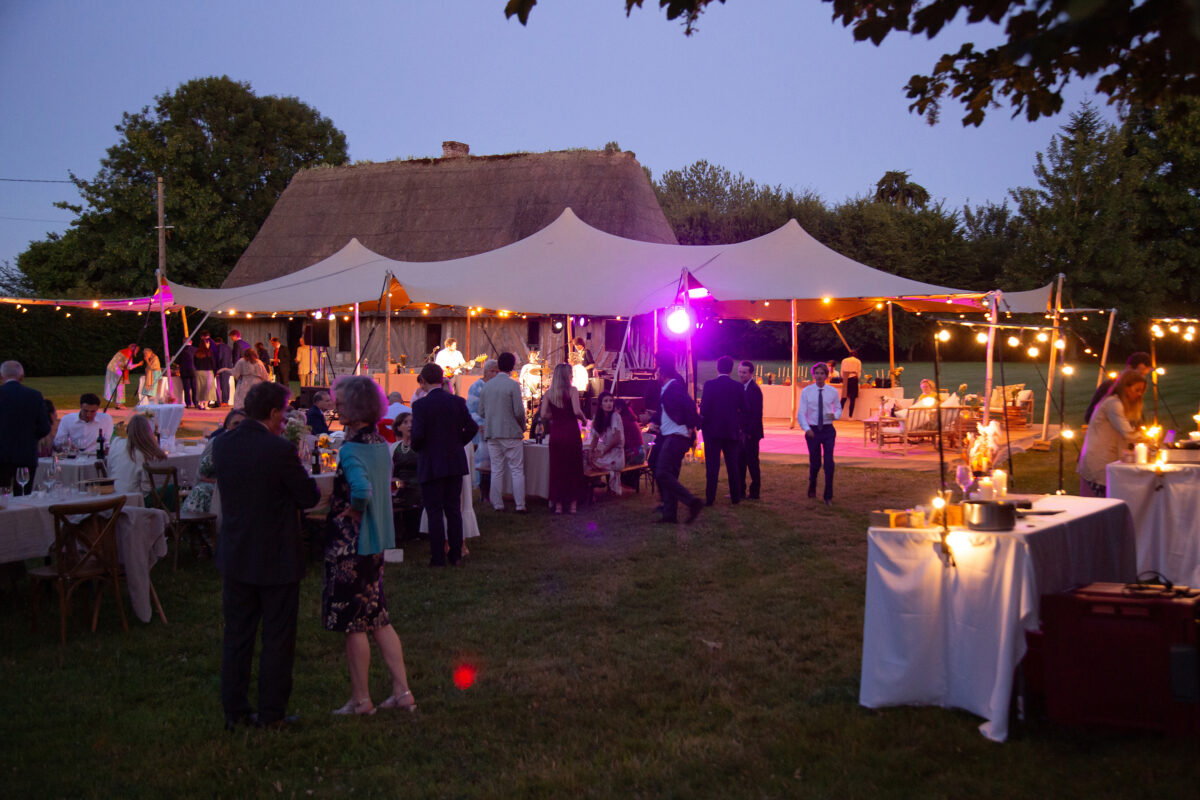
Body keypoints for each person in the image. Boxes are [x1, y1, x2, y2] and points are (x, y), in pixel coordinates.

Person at [214, 381, 320, 730]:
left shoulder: (223, 445)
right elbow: (308, 496)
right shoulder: (277, 450)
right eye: (284, 412)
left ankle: (235, 710)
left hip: (236, 552)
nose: (284, 418)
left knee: (237, 635)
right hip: (275, 556)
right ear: (274, 413)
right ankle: (272, 712)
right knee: (277, 638)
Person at [322, 375, 416, 716]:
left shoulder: (350, 449)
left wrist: (352, 510)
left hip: (352, 546)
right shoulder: (380, 445)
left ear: (359, 407)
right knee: (378, 618)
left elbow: (361, 490)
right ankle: (402, 691)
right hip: (378, 541)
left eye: (342, 403)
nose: (336, 406)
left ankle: (361, 699)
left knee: (353, 623)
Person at [411, 363, 478, 567]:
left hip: (431, 461)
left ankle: (438, 557)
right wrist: (458, 442)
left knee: (434, 511)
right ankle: (456, 554)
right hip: (454, 461)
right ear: (442, 379)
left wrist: (419, 447)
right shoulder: (457, 401)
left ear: (423, 380)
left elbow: (418, 435)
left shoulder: (421, 406)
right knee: (453, 509)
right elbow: (472, 427)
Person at [1077, 369, 1149, 497]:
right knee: (1099, 505)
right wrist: (1148, 438)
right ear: (1125, 388)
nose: (1139, 394)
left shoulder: (1120, 404)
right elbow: (1128, 434)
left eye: (1142, 391)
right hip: (1099, 461)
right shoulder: (1113, 404)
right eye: (1136, 390)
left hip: (1109, 459)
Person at [651, 351, 704, 524]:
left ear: (662, 371)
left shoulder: (673, 387)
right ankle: (669, 515)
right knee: (668, 475)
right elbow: (669, 411)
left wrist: (691, 426)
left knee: (662, 473)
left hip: (677, 437)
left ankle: (691, 501)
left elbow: (689, 406)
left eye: (657, 369)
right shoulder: (667, 388)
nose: (655, 372)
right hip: (670, 435)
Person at [479, 353, 527, 512]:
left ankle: (497, 504)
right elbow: (519, 412)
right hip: (511, 432)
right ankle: (520, 505)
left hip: (493, 432)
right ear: (512, 367)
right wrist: (522, 427)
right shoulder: (513, 385)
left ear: (498, 366)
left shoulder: (487, 386)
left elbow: (481, 412)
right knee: (517, 470)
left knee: (497, 469)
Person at [700, 356, 746, 506]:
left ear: (717, 368)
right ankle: (735, 497)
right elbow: (745, 409)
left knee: (712, 466)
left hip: (712, 431)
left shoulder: (709, 385)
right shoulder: (738, 387)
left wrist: (702, 425)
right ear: (731, 369)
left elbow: (704, 409)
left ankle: (710, 497)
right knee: (733, 465)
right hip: (731, 431)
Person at [541, 363, 587, 514]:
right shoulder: (572, 391)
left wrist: (555, 416)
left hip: (556, 433)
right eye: (571, 374)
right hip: (571, 432)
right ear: (567, 376)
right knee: (573, 467)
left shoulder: (549, 393)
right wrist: (585, 419)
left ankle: (559, 505)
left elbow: (543, 415)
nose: (572, 376)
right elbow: (576, 410)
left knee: (557, 469)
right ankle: (573, 504)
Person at [0, 361, 51, 495]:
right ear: (22, 377)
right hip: (26, 454)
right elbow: (44, 427)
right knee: (23, 496)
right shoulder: (34, 396)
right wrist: (30, 438)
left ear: (1, 376)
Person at [182, 409, 245, 515]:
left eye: (242, 424)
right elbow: (201, 473)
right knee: (201, 491)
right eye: (235, 424)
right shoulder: (216, 443)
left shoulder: (248, 445)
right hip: (214, 488)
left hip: (237, 489)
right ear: (227, 426)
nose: (239, 427)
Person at [799, 361, 841, 505]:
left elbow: (838, 409)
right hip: (813, 430)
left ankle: (828, 495)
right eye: (817, 373)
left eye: (822, 373)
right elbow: (801, 413)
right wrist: (807, 429)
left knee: (829, 462)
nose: (819, 376)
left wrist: (831, 417)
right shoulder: (807, 391)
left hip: (828, 430)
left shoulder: (832, 391)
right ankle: (812, 484)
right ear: (813, 375)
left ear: (826, 375)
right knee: (815, 462)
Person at [108, 414, 168, 498]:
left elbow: (109, 468)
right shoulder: (144, 453)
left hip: (113, 496)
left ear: (127, 430)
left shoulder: (116, 443)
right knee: (170, 489)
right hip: (133, 499)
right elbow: (146, 488)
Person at [1085, 352, 1153, 424]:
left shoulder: (1135, 389)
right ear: (1129, 368)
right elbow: (1090, 416)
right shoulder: (1110, 386)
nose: (1141, 378)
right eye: (1140, 374)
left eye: (1144, 375)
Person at [585, 391, 625, 495]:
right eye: (606, 401)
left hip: (616, 455)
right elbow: (594, 439)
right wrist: (590, 452)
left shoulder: (615, 416)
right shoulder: (599, 419)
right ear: (601, 404)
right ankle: (589, 486)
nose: (609, 404)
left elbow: (617, 439)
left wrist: (602, 451)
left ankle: (594, 484)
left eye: (611, 401)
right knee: (586, 457)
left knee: (592, 461)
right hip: (607, 452)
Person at [391, 412, 422, 542]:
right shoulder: (394, 447)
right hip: (399, 484)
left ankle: (413, 532)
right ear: (398, 427)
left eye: (412, 422)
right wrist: (395, 480)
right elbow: (390, 471)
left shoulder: (421, 445)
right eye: (405, 422)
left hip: (419, 483)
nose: (410, 425)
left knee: (413, 495)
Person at [465, 360, 496, 491]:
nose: (495, 374)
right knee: (481, 460)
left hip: (495, 429)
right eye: (492, 371)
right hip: (480, 429)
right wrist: (480, 424)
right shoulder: (476, 387)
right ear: (485, 372)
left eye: (497, 371)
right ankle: (478, 486)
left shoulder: (496, 386)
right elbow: (471, 410)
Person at [738, 360, 764, 500]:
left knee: (752, 463)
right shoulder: (739, 387)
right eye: (740, 372)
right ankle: (740, 490)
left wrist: (748, 432)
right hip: (740, 432)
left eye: (744, 372)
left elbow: (756, 414)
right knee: (739, 462)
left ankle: (754, 492)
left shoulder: (754, 390)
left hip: (750, 434)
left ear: (751, 374)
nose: (741, 375)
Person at [194, 335, 217, 409]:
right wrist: (214, 371)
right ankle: (206, 405)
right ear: (206, 344)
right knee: (208, 388)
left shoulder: (197, 352)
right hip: (208, 371)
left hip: (199, 372)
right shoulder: (209, 352)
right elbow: (213, 363)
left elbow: (194, 362)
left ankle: (200, 403)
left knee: (200, 388)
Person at [212, 335, 234, 406]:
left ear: (216, 342)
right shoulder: (228, 347)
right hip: (229, 367)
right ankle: (225, 400)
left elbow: (219, 357)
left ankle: (224, 401)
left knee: (224, 385)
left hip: (222, 367)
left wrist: (216, 367)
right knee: (226, 384)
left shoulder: (219, 347)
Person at [177, 338, 198, 409]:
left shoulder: (181, 350)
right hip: (194, 371)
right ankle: (196, 403)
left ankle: (188, 403)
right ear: (191, 342)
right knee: (195, 388)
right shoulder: (195, 349)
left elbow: (177, 360)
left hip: (184, 371)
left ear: (183, 342)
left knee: (187, 388)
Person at [840, 350, 862, 417]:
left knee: (844, 398)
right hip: (854, 378)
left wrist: (844, 378)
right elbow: (859, 371)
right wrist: (857, 377)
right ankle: (850, 416)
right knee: (852, 398)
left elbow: (842, 370)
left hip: (846, 378)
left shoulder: (844, 360)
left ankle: (838, 415)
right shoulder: (858, 361)